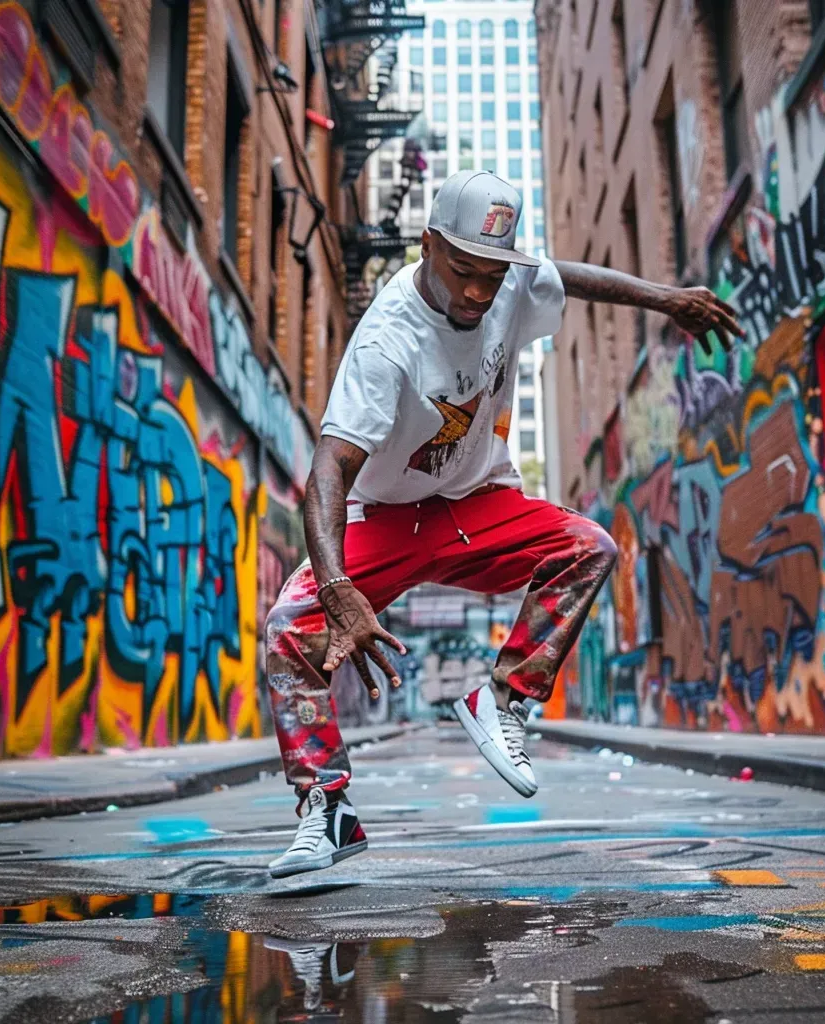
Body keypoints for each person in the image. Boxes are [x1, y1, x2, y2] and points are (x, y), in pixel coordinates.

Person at [265, 171, 742, 878]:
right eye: (462, 272)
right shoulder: (386, 342)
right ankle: (328, 809)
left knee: (590, 546)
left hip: (479, 502)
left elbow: (571, 277)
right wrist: (337, 587)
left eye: (493, 277)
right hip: (389, 516)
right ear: (427, 246)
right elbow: (329, 468)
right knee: (288, 627)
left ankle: (504, 699)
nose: (478, 294)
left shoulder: (511, 281)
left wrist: (667, 300)